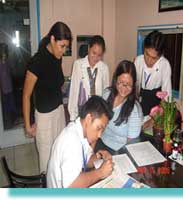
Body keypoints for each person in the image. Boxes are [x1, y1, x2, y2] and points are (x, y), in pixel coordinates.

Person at [23, 22, 72, 173]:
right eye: (62, 46)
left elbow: (57, 79)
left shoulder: (57, 57)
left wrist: (64, 84)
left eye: (66, 47)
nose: (63, 51)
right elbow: (26, 95)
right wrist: (27, 124)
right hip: (44, 117)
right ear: (52, 39)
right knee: (46, 162)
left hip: (58, 111)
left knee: (60, 152)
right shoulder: (37, 61)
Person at [47, 95, 114, 188]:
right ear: (88, 119)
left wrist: (99, 156)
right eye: (99, 128)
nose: (99, 135)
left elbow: (85, 161)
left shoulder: (80, 131)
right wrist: (100, 173)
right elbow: (71, 185)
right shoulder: (71, 141)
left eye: (102, 130)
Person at [95, 60, 143, 154]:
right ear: (115, 79)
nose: (124, 88)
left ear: (133, 85)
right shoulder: (106, 94)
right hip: (101, 142)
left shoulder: (134, 110)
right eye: (121, 82)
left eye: (128, 85)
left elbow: (132, 144)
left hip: (119, 151)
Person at [68, 35, 109, 121]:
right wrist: (72, 117)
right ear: (88, 49)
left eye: (99, 55)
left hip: (97, 111)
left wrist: (105, 114)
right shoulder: (78, 65)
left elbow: (106, 92)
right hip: (82, 109)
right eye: (94, 53)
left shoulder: (104, 68)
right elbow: (74, 91)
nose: (96, 57)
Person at [134, 30, 172, 118]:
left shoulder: (164, 65)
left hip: (156, 103)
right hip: (140, 99)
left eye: (154, 58)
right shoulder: (138, 60)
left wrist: (154, 119)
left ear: (160, 56)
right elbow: (135, 84)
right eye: (147, 54)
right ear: (144, 48)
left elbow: (167, 95)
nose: (149, 60)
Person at [0, 43, 17, 129]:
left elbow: (12, 70)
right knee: (5, 108)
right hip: (3, 90)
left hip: (9, 88)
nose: (3, 53)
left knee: (11, 106)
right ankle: (7, 124)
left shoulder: (8, 62)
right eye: (2, 50)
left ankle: (12, 121)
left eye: (5, 50)